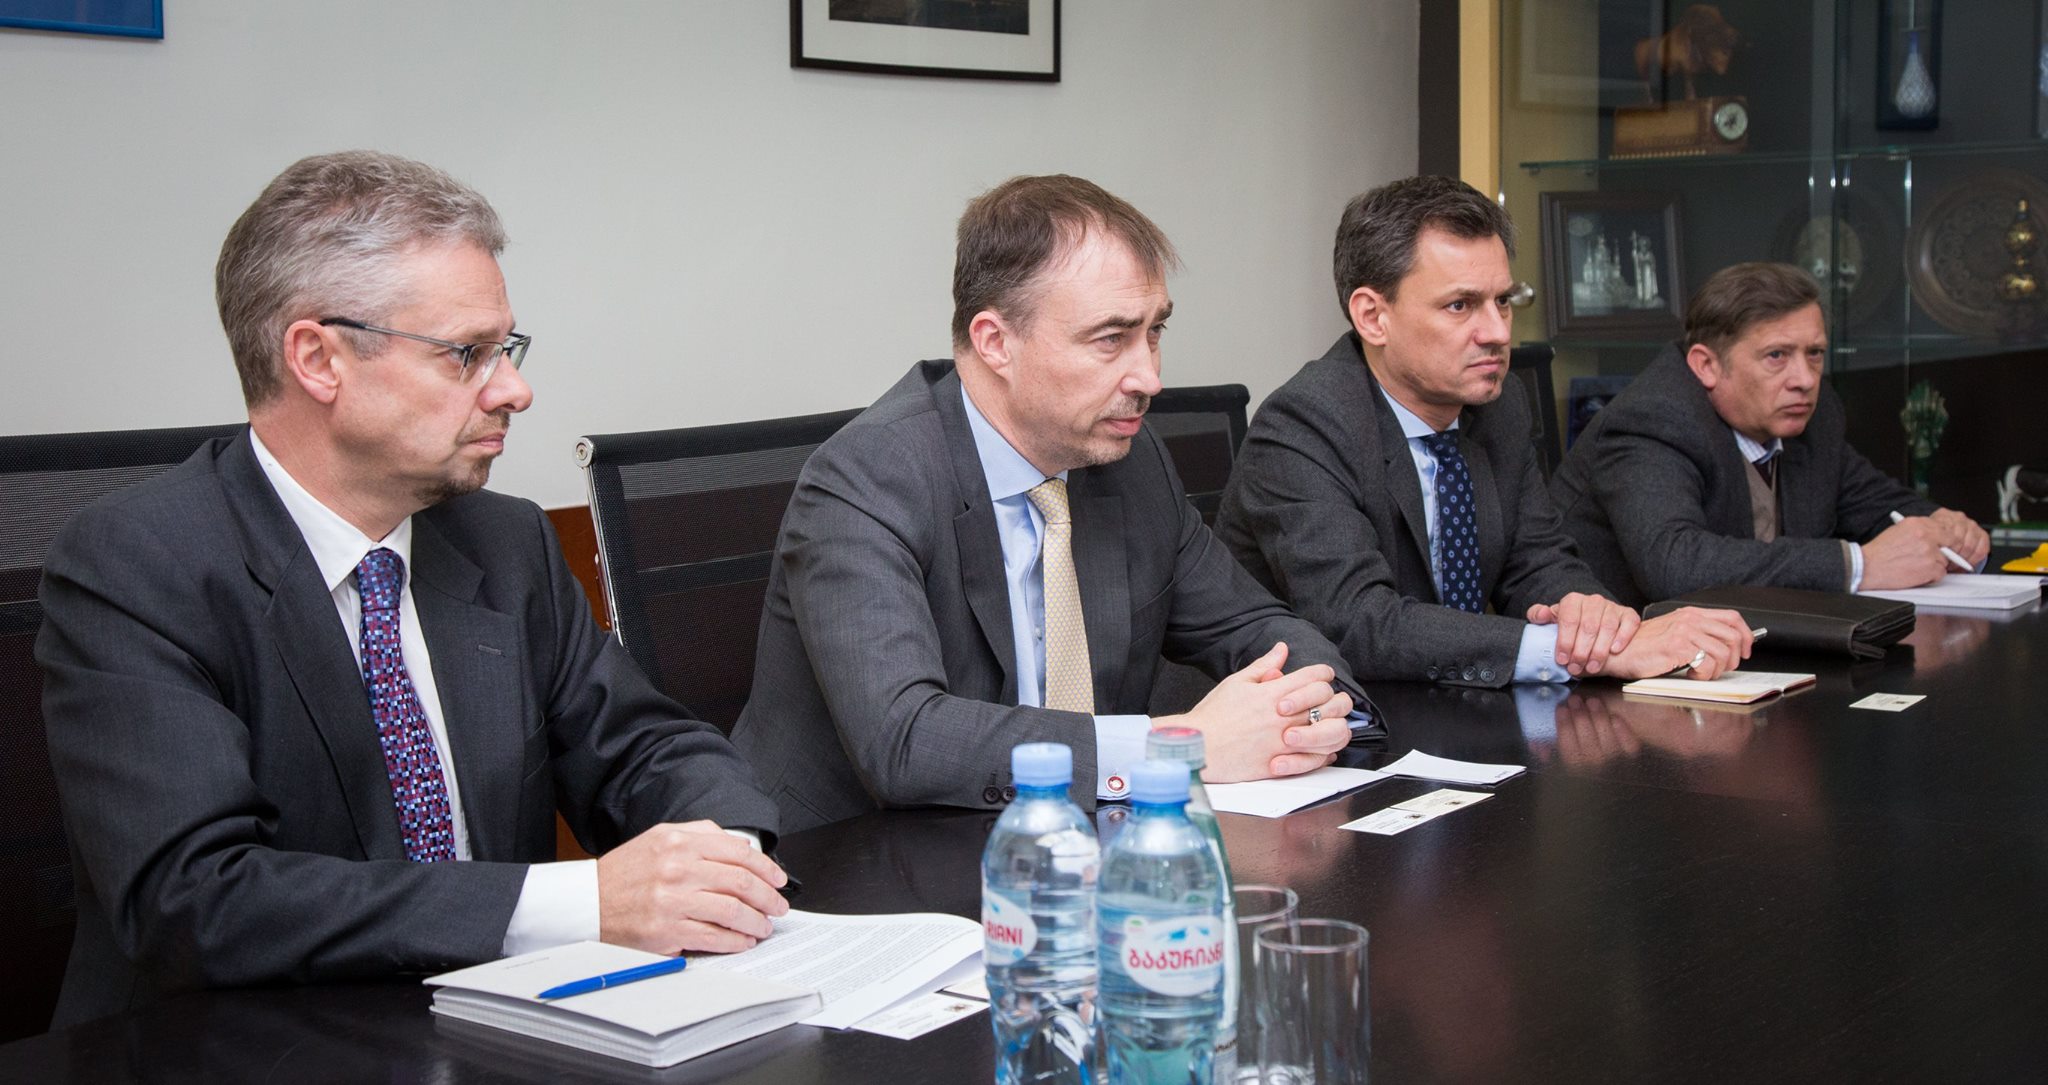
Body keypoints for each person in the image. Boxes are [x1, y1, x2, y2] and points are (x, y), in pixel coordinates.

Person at [36, 151, 788, 1026]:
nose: (515, 390)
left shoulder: (505, 541)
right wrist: (583, 902)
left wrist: (722, 859)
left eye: (506, 349)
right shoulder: (137, 564)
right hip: (239, 1045)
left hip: (502, 1027)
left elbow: (644, 748)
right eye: (467, 354)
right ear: (318, 359)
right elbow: (196, 896)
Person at [731, 174, 1366, 833]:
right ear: (995, 342)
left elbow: (1253, 623)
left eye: (1154, 331)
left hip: (1073, 841)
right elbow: (905, 739)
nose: (1150, 376)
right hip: (855, 855)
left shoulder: (1128, 458)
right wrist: (1181, 749)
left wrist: (1312, 713)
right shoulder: (866, 478)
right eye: (1110, 338)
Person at [1215, 175, 1752, 691]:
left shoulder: (1498, 404)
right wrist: (1581, 653)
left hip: (1455, 706)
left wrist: (1591, 618)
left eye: (1503, 301)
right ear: (1373, 317)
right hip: (1324, 722)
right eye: (1460, 305)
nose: (1497, 332)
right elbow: (1358, 623)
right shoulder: (1304, 425)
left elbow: (1538, 560)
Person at [1550, 261, 1990, 606]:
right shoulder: (1653, 420)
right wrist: (1859, 565)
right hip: (1610, 672)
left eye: (1814, 353)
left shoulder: (1812, 414)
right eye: (1777, 355)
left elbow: (1873, 504)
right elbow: (1676, 565)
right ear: (1706, 365)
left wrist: (1942, 527)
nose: (1805, 379)